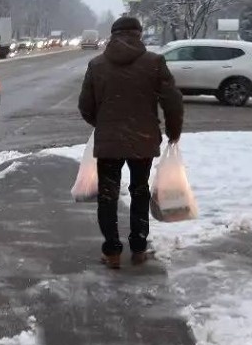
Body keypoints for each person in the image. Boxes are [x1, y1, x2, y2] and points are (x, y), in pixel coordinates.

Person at [78, 16, 183, 268]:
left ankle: (112, 251)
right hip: (143, 140)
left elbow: (85, 106)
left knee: (107, 195)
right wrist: (173, 131)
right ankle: (138, 247)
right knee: (139, 191)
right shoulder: (154, 63)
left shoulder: (97, 65)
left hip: (109, 142)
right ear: (138, 34)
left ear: (113, 35)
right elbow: (172, 101)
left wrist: (103, 124)